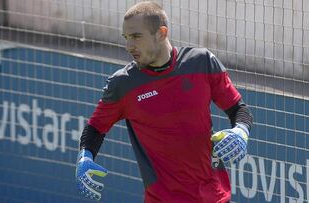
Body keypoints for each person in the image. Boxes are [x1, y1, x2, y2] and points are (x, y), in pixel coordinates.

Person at [75, 1, 253, 202]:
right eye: (126, 38)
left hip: (215, 196)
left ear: (161, 33)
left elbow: (238, 109)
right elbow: (95, 127)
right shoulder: (123, 84)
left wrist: (241, 131)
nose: (128, 46)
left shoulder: (202, 61)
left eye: (136, 37)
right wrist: (85, 157)